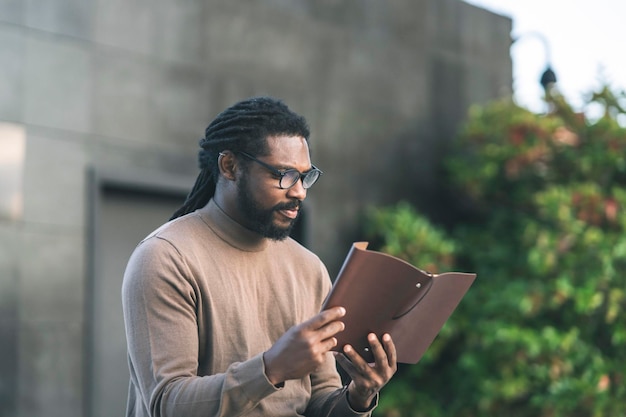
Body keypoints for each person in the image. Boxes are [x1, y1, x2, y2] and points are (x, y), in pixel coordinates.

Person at [121, 96, 397, 417]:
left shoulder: (308, 268)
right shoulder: (166, 257)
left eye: (305, 176)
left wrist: (358, 398)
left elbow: (318, 397)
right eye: (283, 175)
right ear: (230, 166)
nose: (299, 192)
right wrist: (272, 368)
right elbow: (168, 403)